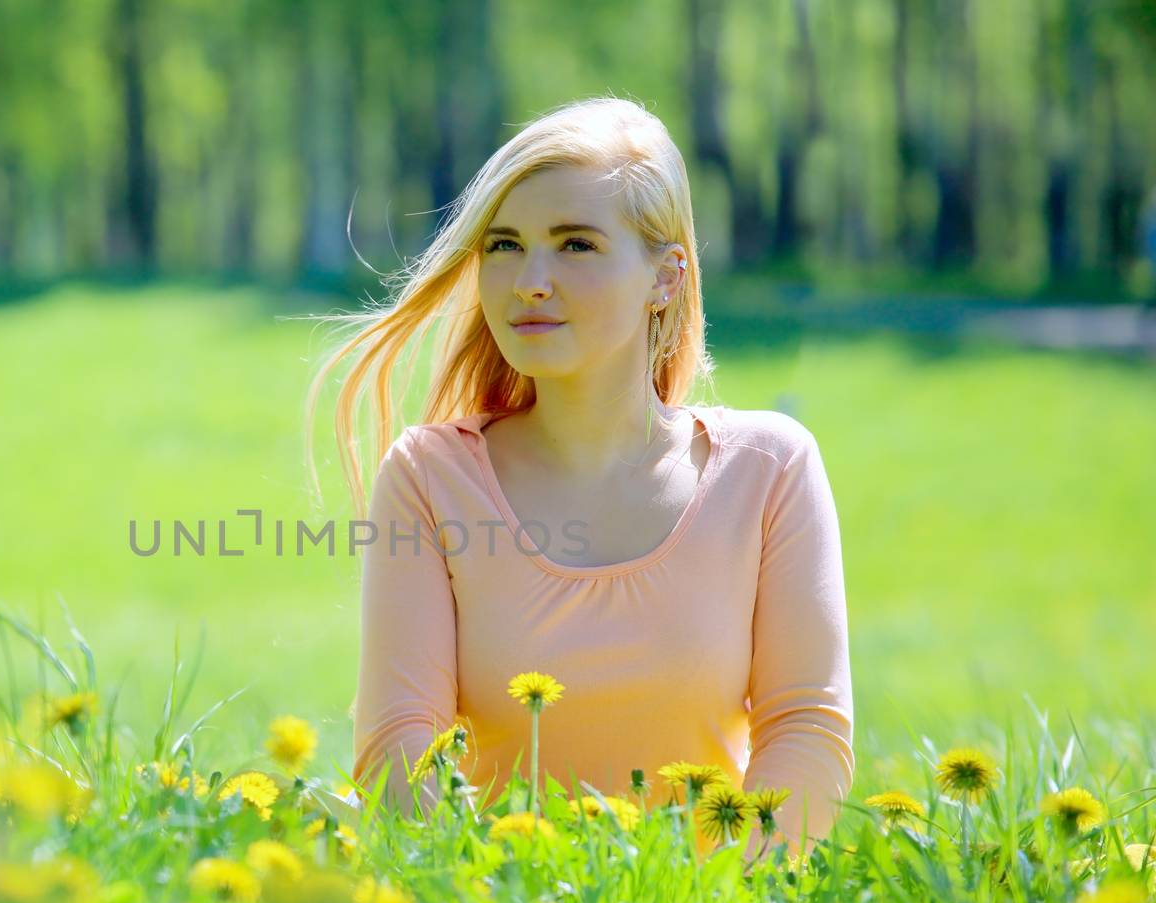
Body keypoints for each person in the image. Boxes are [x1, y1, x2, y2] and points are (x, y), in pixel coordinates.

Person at [302, 95, 853, 862]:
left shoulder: (769, 470)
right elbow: (400, 745)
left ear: (665, 278)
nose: (530, 279)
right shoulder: (430, 479)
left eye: (576, 245)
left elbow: (807, 729)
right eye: (503, 245)